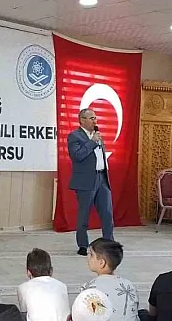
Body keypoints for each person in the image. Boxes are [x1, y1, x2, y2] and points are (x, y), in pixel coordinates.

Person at [67, 108, 114, 256]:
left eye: (95, 118)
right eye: (92, 118)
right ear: (82, 120)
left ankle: (109, 243)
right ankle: (82, 245)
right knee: (84, 214)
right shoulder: (74, 136)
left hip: (101, 178)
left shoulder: (98, 135)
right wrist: (92, 142)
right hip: (85, 180)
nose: (95, 121)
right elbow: (77, 156)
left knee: (107, 213)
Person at [81, 238, 138, 321]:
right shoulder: (129, 285)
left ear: (102, 263)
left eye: (91, 254)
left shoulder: (88, 288)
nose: (88, 257)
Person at [17, 248, 70, 321]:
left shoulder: (23, 288)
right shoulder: (62, 286)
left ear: (28, 272)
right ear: (51, 271)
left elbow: (24, 311)